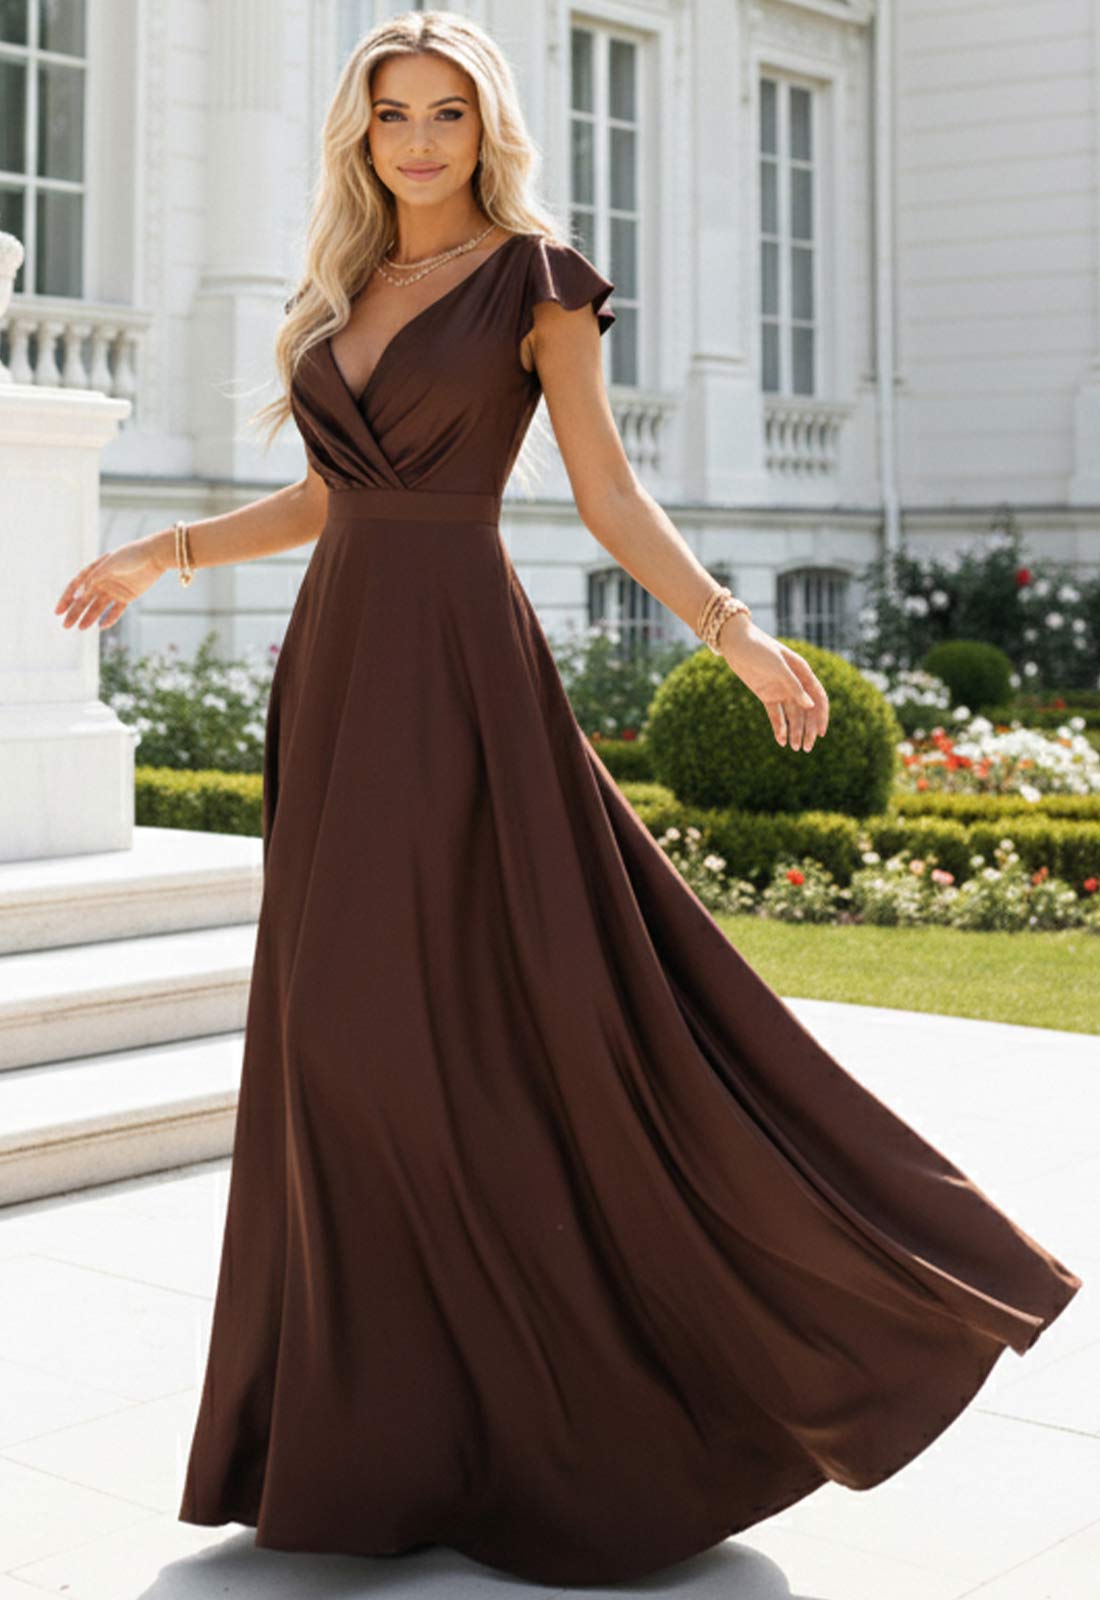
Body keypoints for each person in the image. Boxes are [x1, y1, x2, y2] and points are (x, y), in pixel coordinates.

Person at [54, 10, 1082, 1590]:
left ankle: (606, 1408)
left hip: (460, 671)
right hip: (338, 672)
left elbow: (603, 489)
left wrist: (731, 631)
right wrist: (164, 551)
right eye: (390, 112)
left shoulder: (541, 279)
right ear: (361, 133)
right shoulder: (350, 287)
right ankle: (374, 1439)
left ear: (485, 128)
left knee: (492, 1028)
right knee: (332, 1044)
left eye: (445, 113)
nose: (415, 139)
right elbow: (340, 493)